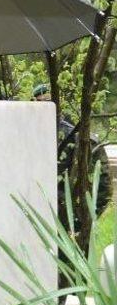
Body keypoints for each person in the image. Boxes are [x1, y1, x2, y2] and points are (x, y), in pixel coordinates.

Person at [32, 84, 111, 221]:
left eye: (46, 103)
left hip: (68, 219)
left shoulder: (79, 138)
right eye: (38, 103)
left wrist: (83, 221)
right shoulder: (30, 138)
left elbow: (103, 186)